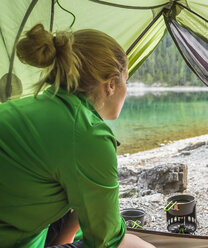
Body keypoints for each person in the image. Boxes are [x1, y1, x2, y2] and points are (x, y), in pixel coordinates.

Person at [0, 24, 155, 248]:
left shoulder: (35, 107)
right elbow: (107, 242)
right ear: (111, 84)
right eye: (126, 80)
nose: (127, 89)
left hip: (19, 224)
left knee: (78, 201)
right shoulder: (88, 134)